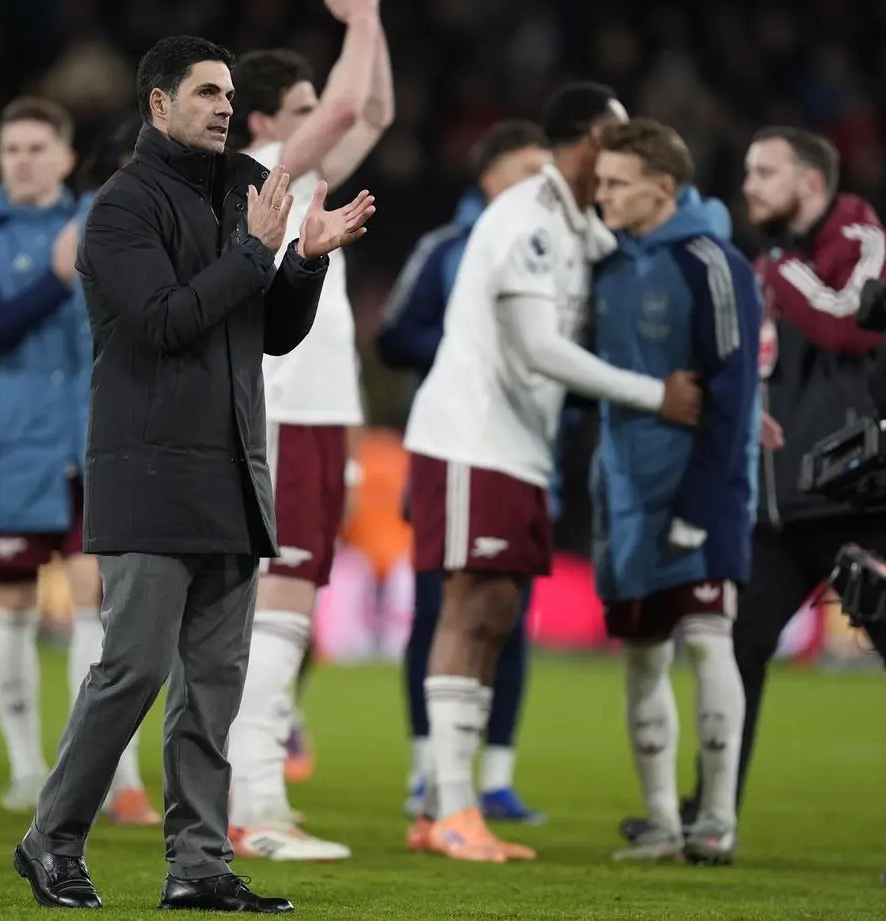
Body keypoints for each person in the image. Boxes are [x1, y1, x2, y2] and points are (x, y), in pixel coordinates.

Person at [12, 35, 373, 912]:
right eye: (206, 92)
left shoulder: (249, 185)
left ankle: (199, 864)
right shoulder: (120, 208)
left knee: (213, 687)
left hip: (233, 467)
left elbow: (269, 332)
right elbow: (164, 321)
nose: (223, 106)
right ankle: (52, 838)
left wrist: (304, 260)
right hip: (148, 471)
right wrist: (254, 253)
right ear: (159, 104)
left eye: (228, 94)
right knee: (132, 670)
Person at [401, 81, 703, 863]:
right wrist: (653, 394)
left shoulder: (575, 222)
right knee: (468, 608)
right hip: (474, 438)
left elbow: (650, 235)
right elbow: (537, 347)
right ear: (592, 139)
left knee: (497, 612)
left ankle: (442, 808)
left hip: (519, 447)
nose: (628, 149)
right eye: (619, 135)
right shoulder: (526, 219)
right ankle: (452, 807)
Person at [620, 126, 886, 844]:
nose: (749, 186)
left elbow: (852, 326)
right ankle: (711, 816)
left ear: (811, 181)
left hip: (857, 499)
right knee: (736, 648)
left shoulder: (859, 238)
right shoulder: (768, 263)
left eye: (766, 172)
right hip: (777, 505)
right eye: (747, 171)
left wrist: (780, 271)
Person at [223, 0, 394, 862]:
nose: (325, 122)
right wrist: (358, 21)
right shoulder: (261, 172)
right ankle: (254, 807)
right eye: (303, 110)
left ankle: (255, 801)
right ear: (264, 122)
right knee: (277, 609)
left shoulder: (303, 181)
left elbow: (374, 112)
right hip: (281, 413)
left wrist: (373, 24)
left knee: (292, 612)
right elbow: (347, 107)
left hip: (320, 417)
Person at [591, 119, 759, 865]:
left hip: (699, 490)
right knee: (642, 653)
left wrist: (702, 503)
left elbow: (733, 391)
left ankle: (716, 818)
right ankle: (661, 822)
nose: (602, 195)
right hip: (624, 494)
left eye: (616, 184)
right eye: (600, 181)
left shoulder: (710, 261)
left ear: (663, 186)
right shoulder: (606, 263)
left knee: (707, 639)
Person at [377, 119, 550, 825]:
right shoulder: (447, 248)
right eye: (526, 171)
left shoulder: (556, 250)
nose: (539, 185)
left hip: (527, 451)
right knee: (437, 608)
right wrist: (471, 345)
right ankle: (429, 770)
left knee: (508, 613)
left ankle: (497, 777)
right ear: (489, 178)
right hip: (451, 448)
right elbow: (393, 337)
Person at [0, 96, 84, 813]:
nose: (23, 161)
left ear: (66, 157)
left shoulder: (103, 223)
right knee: (12, 603)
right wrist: (54, 279)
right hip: (12, 451)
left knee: (100, 603)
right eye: (11, 150)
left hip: (95, 447)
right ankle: (27, 765)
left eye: (36, 148)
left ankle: (106, 774)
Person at [47, 114, 163, 827]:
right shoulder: (100, 223)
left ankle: (116, 781)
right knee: (106, 605)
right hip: (99, 438)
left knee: (124, 612)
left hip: (130, 435)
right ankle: (116, 782)